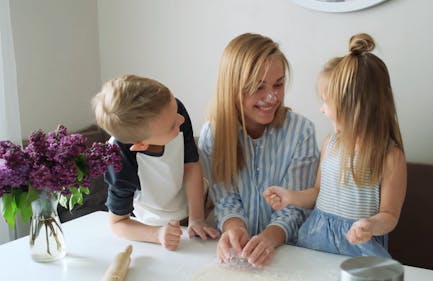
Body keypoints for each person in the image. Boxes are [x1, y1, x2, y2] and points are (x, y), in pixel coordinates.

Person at [263, 33, 407, 258]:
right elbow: (318, 192)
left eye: (326, 101)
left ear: (353, 106)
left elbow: (389, 215)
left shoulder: (390, 156)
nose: (322, 109)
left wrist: (370, 225)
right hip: (315, 240)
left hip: (358, 250)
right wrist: (291, 197)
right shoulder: (331, 143)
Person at [198, 33, 319, 267]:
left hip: (288, 254)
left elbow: (294, 207)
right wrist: (235, 229)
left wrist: (268, 238)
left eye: (278, 84)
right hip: (233, 253)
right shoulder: (213, 134)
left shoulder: (301, 131)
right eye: (258, 87)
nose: (271, 97)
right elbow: (225, 200)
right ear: (232, 88)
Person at [92, 74, 219, 251]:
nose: (180, 120)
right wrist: (157, 234)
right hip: (151, 226)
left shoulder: (173, 111)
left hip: (194, 210)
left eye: (176, 111)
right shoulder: (118, 160)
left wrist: (197, 218)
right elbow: (118, 223)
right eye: (172, 126)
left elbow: (191, 165)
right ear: (141, 144)